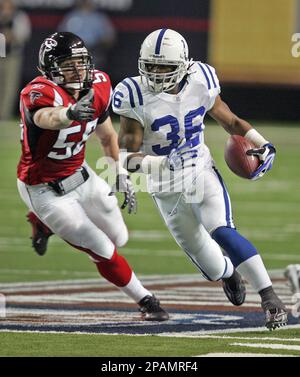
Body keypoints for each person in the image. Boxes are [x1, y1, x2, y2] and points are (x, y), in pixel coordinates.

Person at [111, 28, 288, 330]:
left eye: (163, 67)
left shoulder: (201, 79)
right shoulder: (134, 94)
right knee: (209, 262)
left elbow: (230, 120)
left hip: (199, 170)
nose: (155, 73)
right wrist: (162, 163)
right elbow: (126, 158)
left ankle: (270, 297)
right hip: (165, 187)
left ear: (182, 64)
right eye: (150, 66)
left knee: (222, 230)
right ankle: (228, 273)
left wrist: (261, 142)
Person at [17, 31, 169, 322]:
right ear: (50, 70)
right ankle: (146, 301)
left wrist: (119, 173)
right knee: (100, 246)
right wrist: (69, 113)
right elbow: (44, 118)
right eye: (68, 65)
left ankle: (41, 224)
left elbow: (107, 134)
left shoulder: (98, 85)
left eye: (81, 62)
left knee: (119, 237)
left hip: (80, 174)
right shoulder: (38, 92)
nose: (78, 70)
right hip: (42, 189)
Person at [58, 0, 116, 70]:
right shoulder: (71, 16)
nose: (85, 2)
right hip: (72, 50)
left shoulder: (99, 18)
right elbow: (60, 36)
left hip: (93, 50)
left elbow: (109, 38)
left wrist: (99, 44)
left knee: (94, 60)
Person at [0, 0, 31, 120]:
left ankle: (4, 115)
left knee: (10, 87)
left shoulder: (19, 16)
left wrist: (11, 35)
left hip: (13, 54)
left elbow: (24, 34)